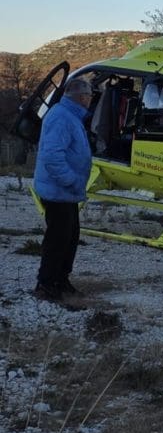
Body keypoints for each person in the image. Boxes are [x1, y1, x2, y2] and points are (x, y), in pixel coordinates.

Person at [32, 77, 94, 309]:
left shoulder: (71, 115)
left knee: (70, 237)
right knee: (58, 239)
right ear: (81, 98)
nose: (90, 100)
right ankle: (46, 284)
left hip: (67, 192)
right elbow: (52, 156)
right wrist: (71, 180)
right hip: (59, 190)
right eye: (89, 96)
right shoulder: (61, 117)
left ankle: (61, 279)